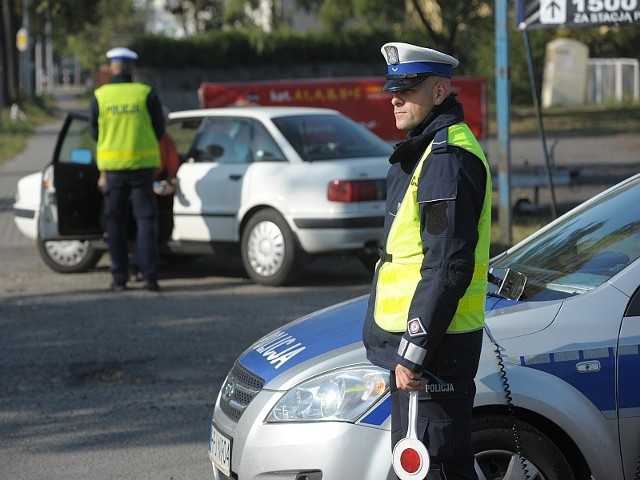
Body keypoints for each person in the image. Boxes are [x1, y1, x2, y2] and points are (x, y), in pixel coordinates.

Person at [362, 42, 492, 479]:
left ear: (439, 92)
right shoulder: (428, 150)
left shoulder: (446, 161)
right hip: (425, 347)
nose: (393, 97)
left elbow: (446, 267)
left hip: (433, 351)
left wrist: (414, 353)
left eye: (407, 89)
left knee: (433, 468)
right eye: (392, 88)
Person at [90, 47, 165, 292]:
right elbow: (159, 128)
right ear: (132, 68)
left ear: (112, 68)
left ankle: (119, 278)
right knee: (145, 221)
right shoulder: (145, 93)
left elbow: (94, 132)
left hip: (113, 170)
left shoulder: (100, 96)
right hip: (143, 168)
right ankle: (150, 276)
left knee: (115, 224)